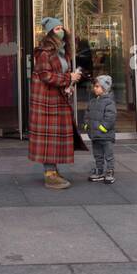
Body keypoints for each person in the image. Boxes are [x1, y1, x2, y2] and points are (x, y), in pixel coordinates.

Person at [29, 16, 83, 189]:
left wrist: (69, 84)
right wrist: (69, 78)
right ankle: (50, 173)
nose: (61, 31)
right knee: (49, 136)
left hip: (56, 98)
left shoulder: (61, 52)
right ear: (50, 32)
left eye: (62, 27)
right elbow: (46, 75)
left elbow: (56, 75)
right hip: (47, 101)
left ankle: (52, 171)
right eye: (57, 28)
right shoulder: (45, 52)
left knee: (54, 136)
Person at [85, 74, 117, 184]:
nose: (95, 88)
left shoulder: (109, 102)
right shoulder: (93, 101)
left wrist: (102, 127)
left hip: (105, 135)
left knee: (108, 155)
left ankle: (109, 171)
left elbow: (110, 117)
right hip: (95, 135)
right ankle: (99, 171)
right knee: (97, 155)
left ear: (104, 88)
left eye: (97, 86)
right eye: (95, 86)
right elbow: (87, 114)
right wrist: (86, 125)